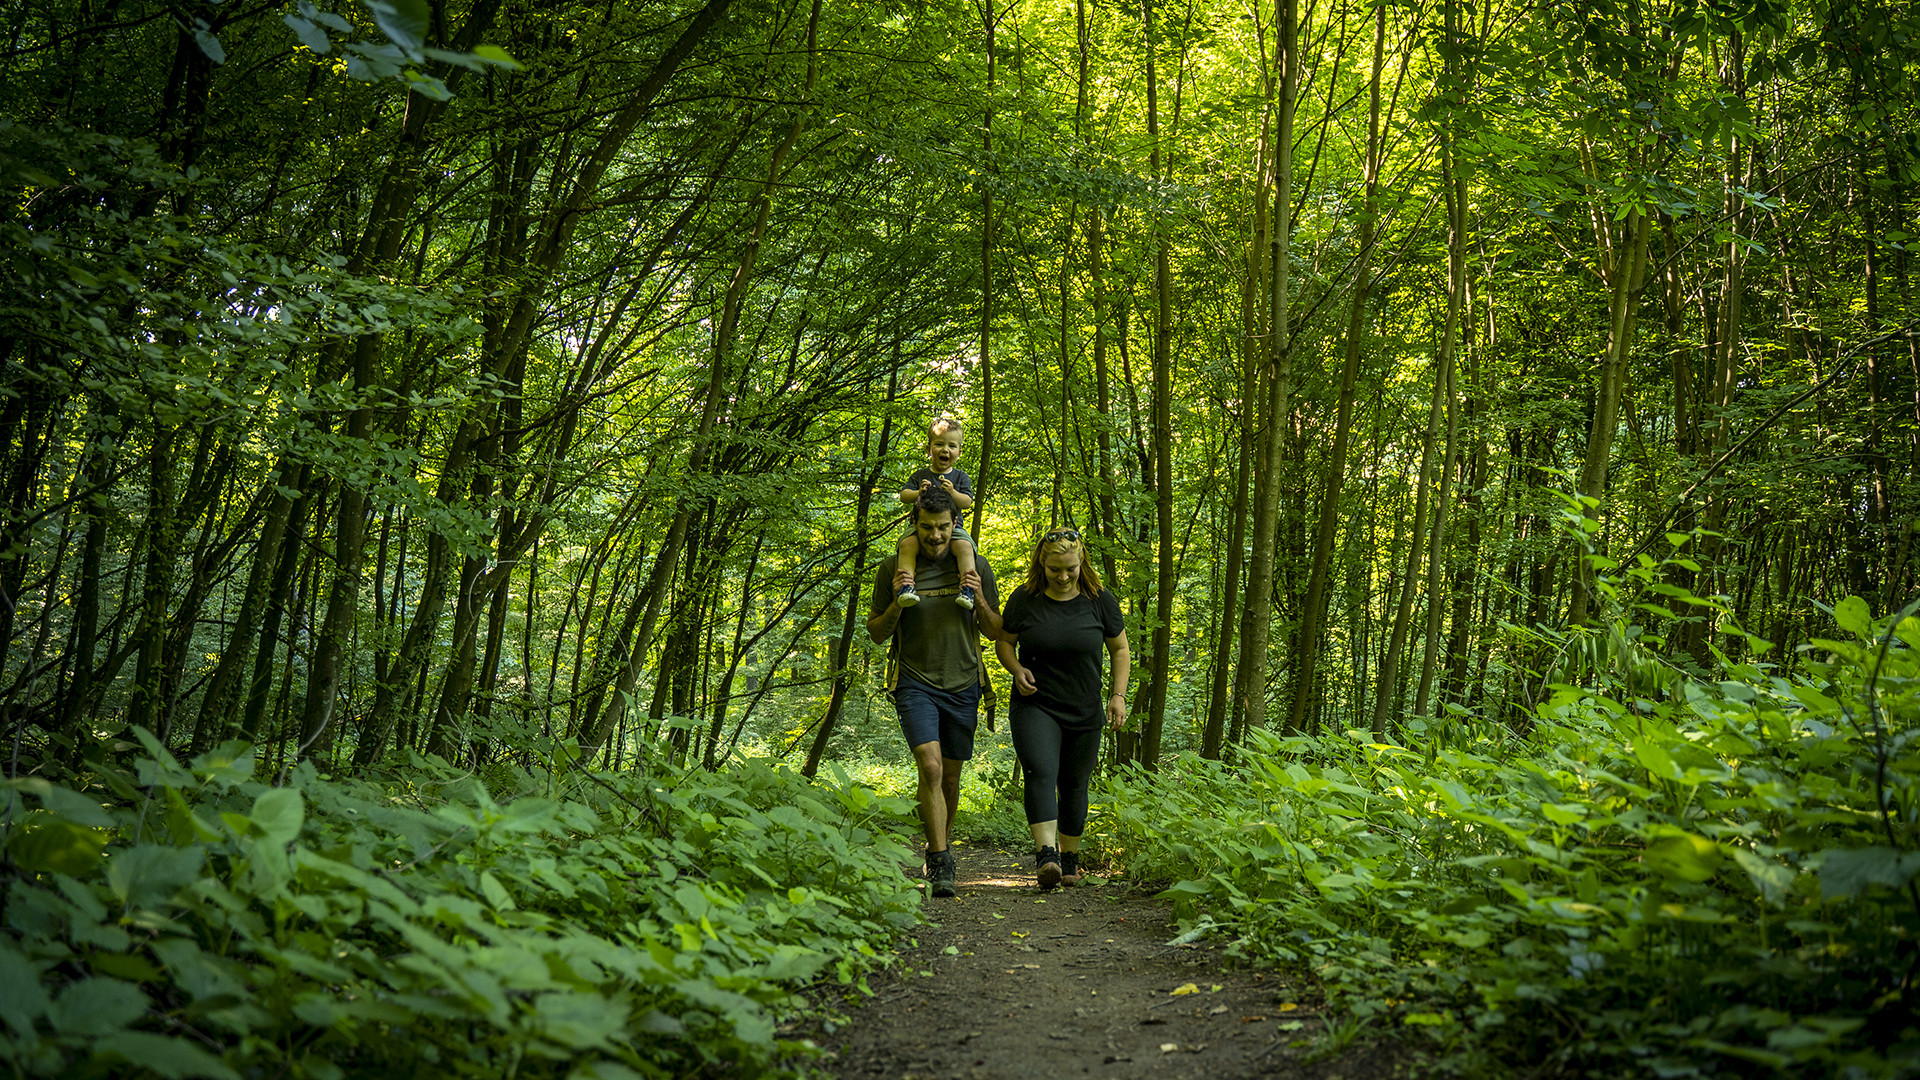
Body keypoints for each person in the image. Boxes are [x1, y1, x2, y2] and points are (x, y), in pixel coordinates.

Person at [867, 485, 1005, 898]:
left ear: (954, 525)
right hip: (914, 680)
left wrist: (978, 596)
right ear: (916, 525)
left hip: (964, 681)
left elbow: (996, 630)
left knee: (950, 778)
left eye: (943, 527)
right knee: (929, 767)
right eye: (927, 528)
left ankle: (935, 846)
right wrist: (896, 604)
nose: (936, 536)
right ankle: (943, 860)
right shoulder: (894, 567)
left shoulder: (974, 564)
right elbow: (875, 633)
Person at [994, 528, 1129, 889]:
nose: (1064, 576)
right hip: (1036, 703)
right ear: (1043, 563)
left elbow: (1120, 650)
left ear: (1081, 561)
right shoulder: (1024, 599)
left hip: (1083, 707)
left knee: (1074, 783)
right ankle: (1047, 856)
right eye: (1056, 569)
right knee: (1040, 770)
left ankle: (1069, 859)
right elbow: (1004, 643)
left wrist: (1118, 695)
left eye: (1070, 568)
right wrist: (1016, 668)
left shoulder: (1100, 600)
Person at [893, 416, 979, 611]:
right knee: (906, 545)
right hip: (919, 528)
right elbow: (903, 495)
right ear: (929, 449)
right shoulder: (920, 475)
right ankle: (906, 586)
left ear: (959, 451)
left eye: (952, 446)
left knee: (965, 547)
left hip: (954, 528)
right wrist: (918, 492)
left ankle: (967, 588)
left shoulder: (960, 477)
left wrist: (952, 492)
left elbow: (967, 502)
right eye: (939, 444)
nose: (945, 450)